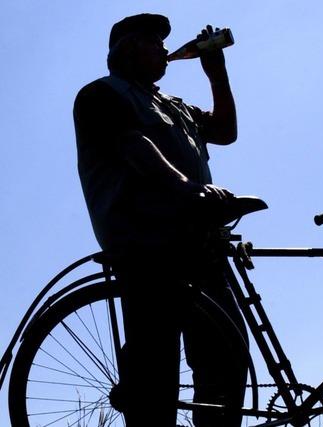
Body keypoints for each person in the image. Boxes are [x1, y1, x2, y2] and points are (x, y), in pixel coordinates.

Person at [73, 13, 248, 427]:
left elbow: (224, 131)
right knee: (155, 372)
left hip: (198, 241)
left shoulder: (171, 104)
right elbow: (136, 148)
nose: (166, 51)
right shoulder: (100, 95)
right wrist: (191, 189)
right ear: (128, 48)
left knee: (226, 353)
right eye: (154, 42)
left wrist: (216, 74)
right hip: (147, 246)